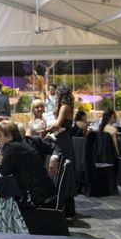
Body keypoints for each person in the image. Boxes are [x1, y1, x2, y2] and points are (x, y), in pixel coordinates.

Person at [0, 120, 55, 208]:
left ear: (7, 135)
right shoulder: (20, 144)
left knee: (2, 200)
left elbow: (4, 171)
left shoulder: (11, 147)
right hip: (45, 192)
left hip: (36, 198)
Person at [46, 84, 76, 216]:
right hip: (64, 140)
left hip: (62, 141)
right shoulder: (67, 106)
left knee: (60, 171)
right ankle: (66, 207)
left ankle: (60, 205)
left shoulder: (64, 106)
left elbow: (57, 124)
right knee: (64, 171)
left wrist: (48, 126)